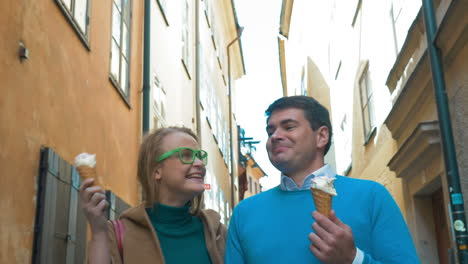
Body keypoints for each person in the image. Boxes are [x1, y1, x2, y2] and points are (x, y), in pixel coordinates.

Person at [225, 96, 420, 264]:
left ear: (321, 136)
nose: (275, 136)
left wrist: (353, 259)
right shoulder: (244, 213)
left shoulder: (371, 196)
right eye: (270, 131)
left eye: (289, 127)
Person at [80, 126, 226, 264]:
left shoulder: (217, 231)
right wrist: (99, 232)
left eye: (200, 156)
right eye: (186, 155)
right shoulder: (118, 233)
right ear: (157, 171)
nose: (200, 163)